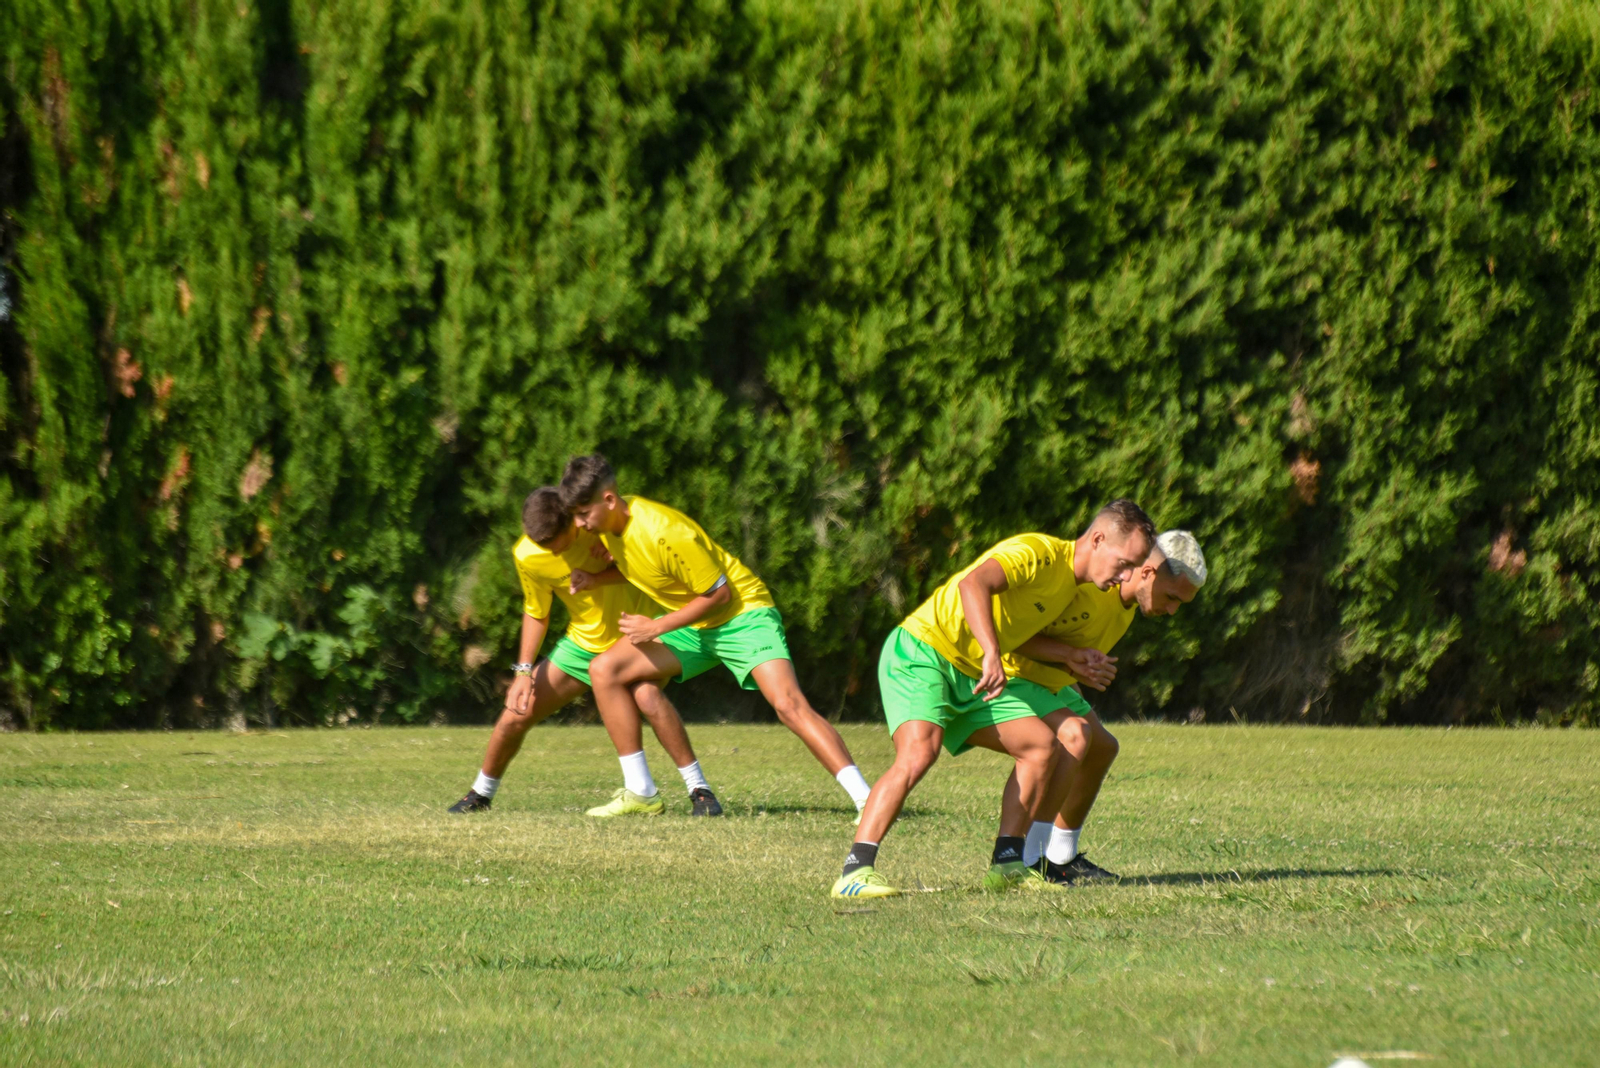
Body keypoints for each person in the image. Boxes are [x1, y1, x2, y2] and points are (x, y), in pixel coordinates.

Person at [831, 501, 1157, 900]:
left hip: (973, 674)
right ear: (1098, 538)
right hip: (924, 650)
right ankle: (855, 870)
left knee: (1041, 746)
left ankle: (1007, 864)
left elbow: (1023, 635)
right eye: (1124, 563)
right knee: (919, 753)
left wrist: (1069, 658)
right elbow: (973, 584)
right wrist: (989, 650)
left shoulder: (1074, 588)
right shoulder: (1038, 553)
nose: (1126, 575)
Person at [557, 453, 875, 816]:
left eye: (584, 514)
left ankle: (867, 799)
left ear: (609, 500)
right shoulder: (612, 529)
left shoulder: (664, 531)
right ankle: (642, 792)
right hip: (694, 625)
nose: (581, 525)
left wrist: (656, 626)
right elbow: (643, 569)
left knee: (788, 705)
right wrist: (596, 579)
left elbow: (719, 594)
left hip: (742, 615)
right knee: (605, 671)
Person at [447, 487, 723, 818]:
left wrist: (605, 568)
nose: (551, 550)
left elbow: (648, 569)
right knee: (515, 714)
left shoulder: (602, 528)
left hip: (635, 638)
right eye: (542, 545)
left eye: (557, 542)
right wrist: (522, 672)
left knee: (647, 697)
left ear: (572, 522)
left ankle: (698, 791)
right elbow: (537, 610)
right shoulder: (527, 553)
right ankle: (480, 794)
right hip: (582, 645)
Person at [1003, 530, 1209, 882]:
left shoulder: (1126, 606)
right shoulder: (1091, 588)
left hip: (1050, 679)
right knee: (1076, 736)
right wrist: (1070, 659)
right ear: (1149, 573)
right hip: (1013, 672)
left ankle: (1062, 856)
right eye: (1172, 597)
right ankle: (1030, 858)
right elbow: (1014, 633)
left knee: (1102, 748)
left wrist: (1074, 669)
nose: (1172, 611)